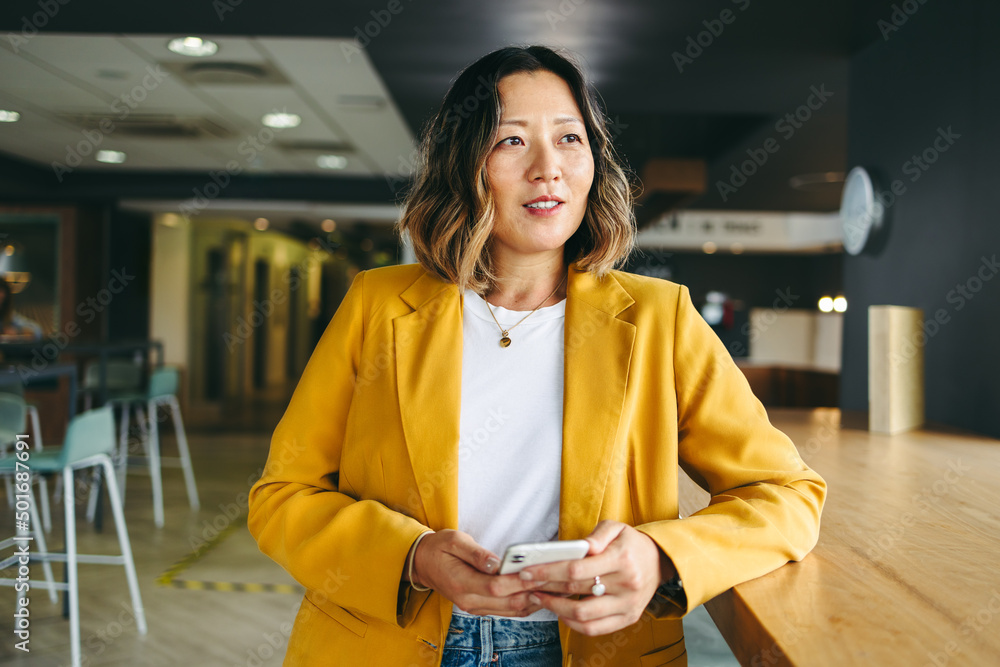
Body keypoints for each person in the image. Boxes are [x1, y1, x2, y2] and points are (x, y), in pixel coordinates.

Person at [248, 45, 826, 667]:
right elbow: (284, 494)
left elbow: (787, 494)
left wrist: (661, 556)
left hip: (592, 650)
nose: (548, 168)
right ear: (465, 163)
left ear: (593, 164)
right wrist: (411, 557)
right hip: (387, 642)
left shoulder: (661, 319)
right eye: (512, 141)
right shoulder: (376, 306)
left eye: (570, 138)